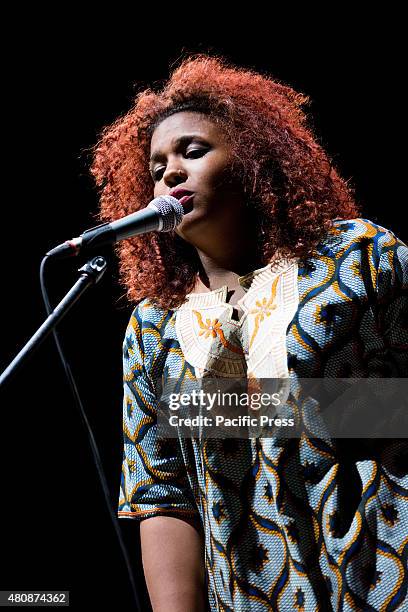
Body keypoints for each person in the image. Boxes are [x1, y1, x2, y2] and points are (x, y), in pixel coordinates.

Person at [90, 55, 408, 611]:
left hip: (381, 574)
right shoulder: (152, 326)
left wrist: (263, 409)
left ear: (256, 160)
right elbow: (161, 493)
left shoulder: (358, 256)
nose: (169, 173)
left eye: (192, 151)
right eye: (156, 166)